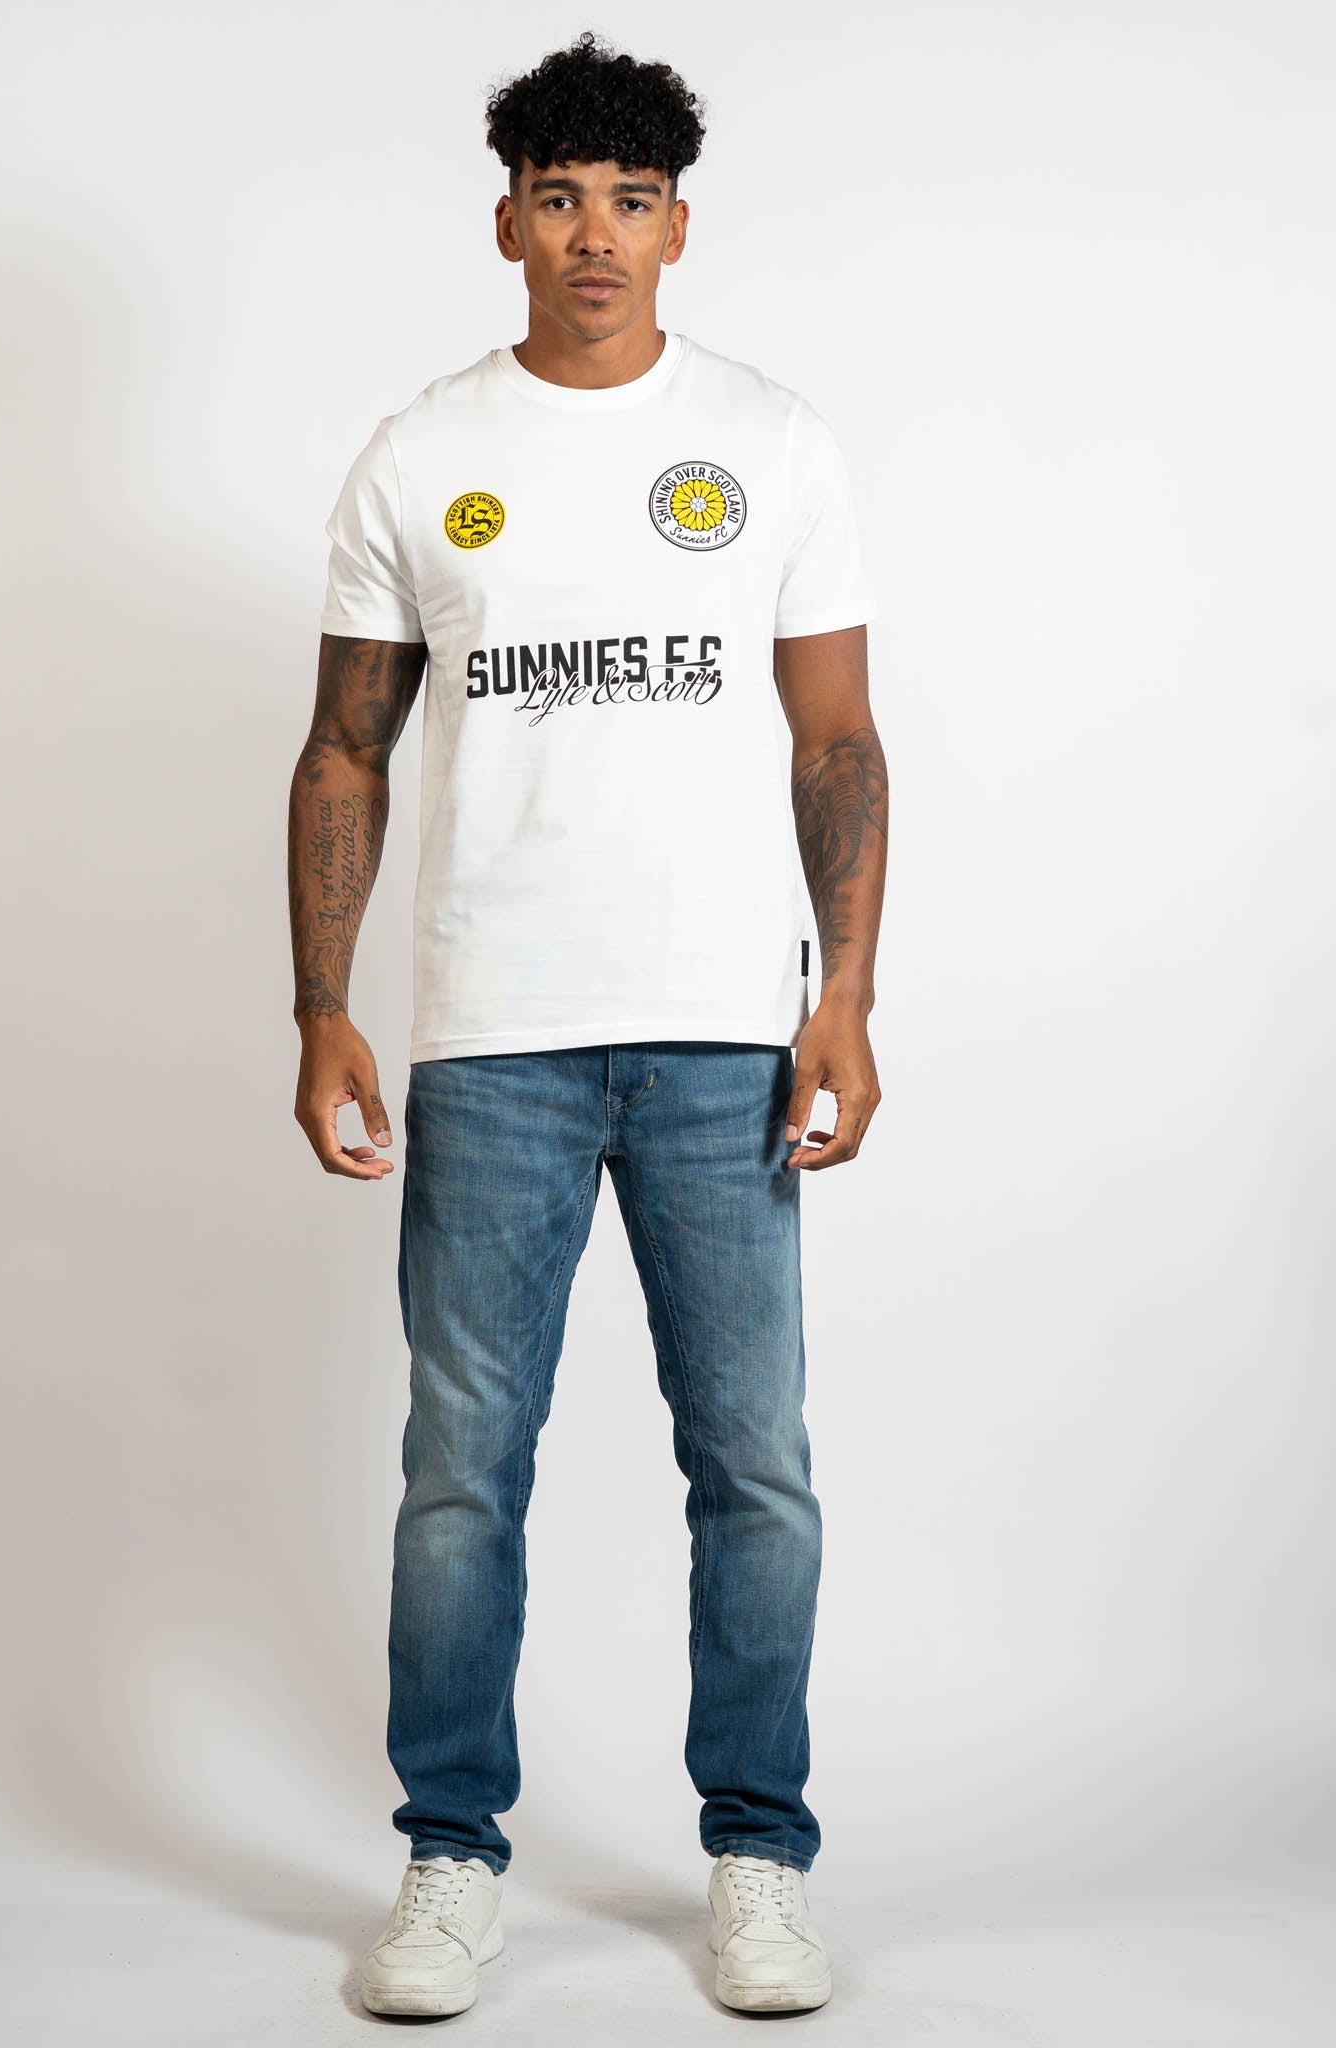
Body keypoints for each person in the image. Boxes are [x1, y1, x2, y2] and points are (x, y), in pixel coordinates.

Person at [287, 28, 888, 2020]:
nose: (594, 237)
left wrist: (844, 998)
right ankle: (447, 1856)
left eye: (630, 200)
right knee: (462, 1470)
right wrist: (321, 1006)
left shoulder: (770, 442)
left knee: (754, 1465)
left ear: (677, 227)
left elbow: (834, 740)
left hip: (723, 1031)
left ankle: (758, 1858)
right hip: (494, 1037)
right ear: (506, 224)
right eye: (559, 199)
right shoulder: (419, 453)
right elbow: (345, 747)